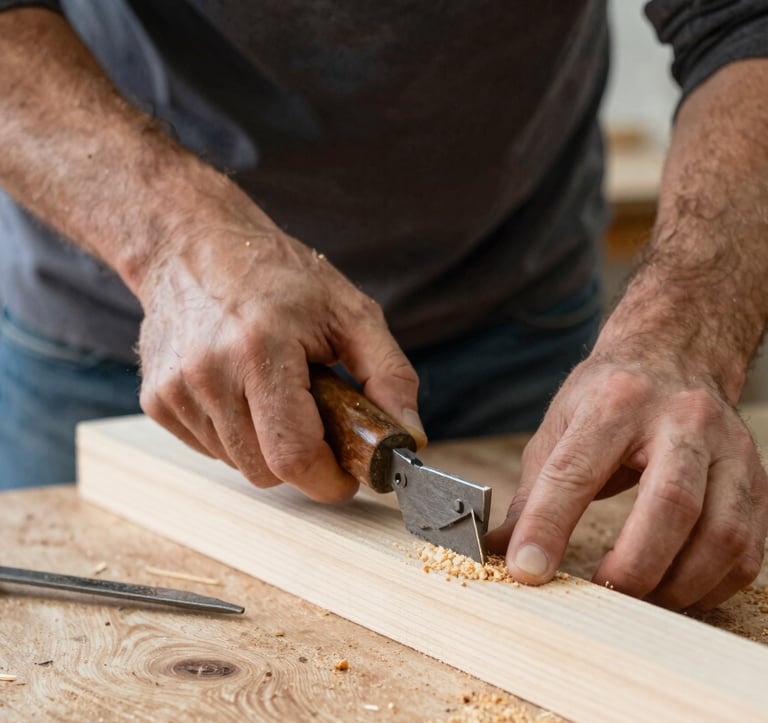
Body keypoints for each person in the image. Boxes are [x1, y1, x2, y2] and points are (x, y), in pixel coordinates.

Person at [1, 1, 767, 611]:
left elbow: (747, 23)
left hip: (512, 313)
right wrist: (170, 240)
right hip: (131, 332)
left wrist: (686, 329)